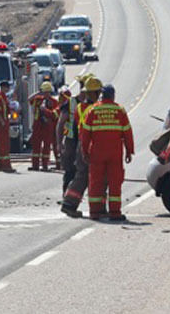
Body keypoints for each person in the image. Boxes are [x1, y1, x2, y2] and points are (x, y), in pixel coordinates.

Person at [80, 84, 134, 221]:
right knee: (115, 183)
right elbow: (127, 132)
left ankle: (95, 212)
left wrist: (84, 152)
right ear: (113, 95)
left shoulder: (93, 110)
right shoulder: (119, 110)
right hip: (115, 153)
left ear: (101, 95)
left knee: (96, 182)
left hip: (97, 152)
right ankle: (115, 213)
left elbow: (85, 134)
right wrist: (129, 151)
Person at [60, 75, 102, 218]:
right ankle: (96, 208)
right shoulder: (93, 109)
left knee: (81, 176)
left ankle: (69, 204)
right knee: (90, 176)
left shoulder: (79, 106)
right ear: (95, 93)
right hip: (88, 145)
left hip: (80, 144)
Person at [27, 81, 59, 171]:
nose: (46, 94)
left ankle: (45, 165)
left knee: (46, 146)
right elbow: (29, 99)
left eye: (47, 92)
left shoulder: (54, 102)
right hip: (38, 125)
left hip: (48, 127)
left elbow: (55, 115)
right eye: (44, 92)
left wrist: (45, 110)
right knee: (36, 146)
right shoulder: (38, 99)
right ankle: (35, 165)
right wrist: (38, 92)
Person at [0, 80, 15, 173]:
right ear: (2, 87)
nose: (8, 88)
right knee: (4, 145)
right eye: (7, 87)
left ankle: (0, 164)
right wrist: (2, 122)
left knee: (1, 145)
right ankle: (6, 166)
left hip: (4, 123)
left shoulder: (4, 97)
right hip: (1, 124)